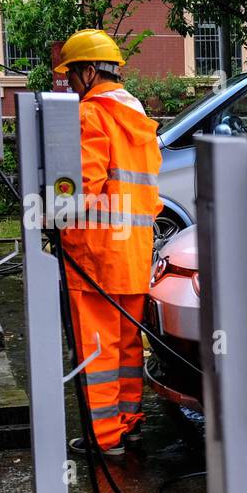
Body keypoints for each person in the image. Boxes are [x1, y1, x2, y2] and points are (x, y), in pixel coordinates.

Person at [55, 29, 161, 457]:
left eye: (72, 74)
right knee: (127, 345)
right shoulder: (139, 119)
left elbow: (82, 188)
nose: (69, 83)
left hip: (95, 254)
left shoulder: (91, 116)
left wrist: (52, 217)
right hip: (133, 253)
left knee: (96, 350)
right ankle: (129, 424)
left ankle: (105, 439)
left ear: (90, 71)